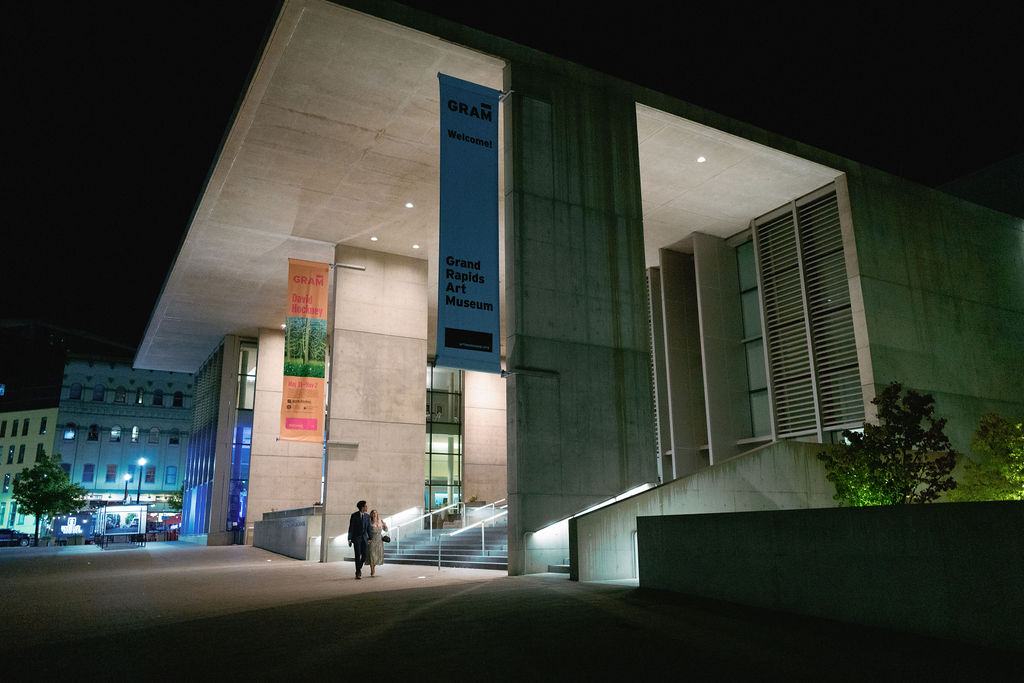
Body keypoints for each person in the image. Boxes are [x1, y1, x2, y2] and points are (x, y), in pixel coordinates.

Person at [347, 500, 370, 579]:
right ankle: (358, 572)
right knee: (357, 555)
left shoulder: (367, 516)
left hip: (364, 538)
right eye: (366, 506)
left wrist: (370, 538)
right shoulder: (354, 515)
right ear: (362, 507)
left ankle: (358, 568)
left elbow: (368, 528)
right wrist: (349, 538)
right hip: (356, 538)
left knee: (365, 555)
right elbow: (351, 528)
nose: (367, 507)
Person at [367, 509, 389, 577]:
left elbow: (386, 530)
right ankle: (372, 570)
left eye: (375, 513)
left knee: (377, 556)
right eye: (373, 513)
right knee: (372, 555)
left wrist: (385, 525)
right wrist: (368, 539)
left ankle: (373, 567)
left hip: (379, 541)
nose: (374, 514)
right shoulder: (369, 522)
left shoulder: (381, 521)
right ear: (371, 514)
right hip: (372, 540)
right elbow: (366, 531)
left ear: (377, 514)